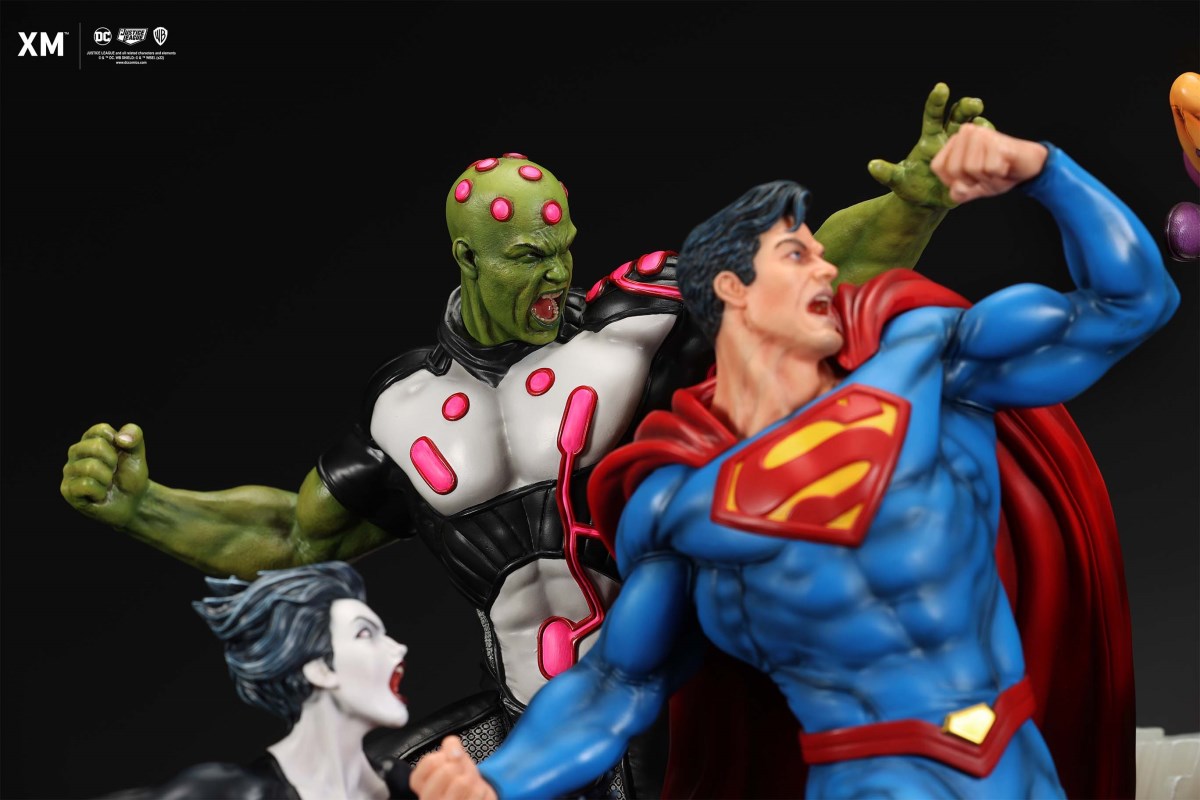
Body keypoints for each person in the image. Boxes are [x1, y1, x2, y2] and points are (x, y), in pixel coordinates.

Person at [61, 85, 991, 798]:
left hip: (678, 716)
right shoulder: (404, 409)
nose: (556, 274)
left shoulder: (636, 325)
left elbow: (801, 280)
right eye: (527, 258)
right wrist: (143, 506)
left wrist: (915, 206)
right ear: (468, 259)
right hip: (523, 730)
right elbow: (293, 535)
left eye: (563, 250)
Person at [409, 125, 1180, 799]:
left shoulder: (930, 362)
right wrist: (497, 782)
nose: (825, 271)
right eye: (795, 254)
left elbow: (1130, 304)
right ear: (732, 289)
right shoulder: (685, 503)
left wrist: (1044, 169)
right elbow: (615, 684)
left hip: (1018, 766)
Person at [104, 562, 414, 799]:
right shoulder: (232, 792)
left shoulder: (402, 784)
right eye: (366, 633)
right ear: (319, 668)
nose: (398, 647)